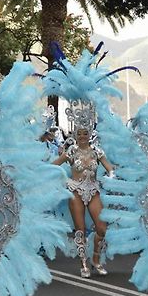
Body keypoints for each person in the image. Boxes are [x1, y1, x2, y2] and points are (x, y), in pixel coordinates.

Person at [53, 101, 115, 278]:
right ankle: (83, 263)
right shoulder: (71, 151)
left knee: (101, 228)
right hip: (76, 192)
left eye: (85, 133)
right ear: (75, 134)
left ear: (89, 134)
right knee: (80, 229)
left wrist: (111, 175)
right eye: (79, 133)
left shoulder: (97, 151)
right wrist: (63, 179)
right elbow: (54, 165)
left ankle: (96, 259)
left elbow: (109, 167)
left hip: (93, 190)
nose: (82, 136)